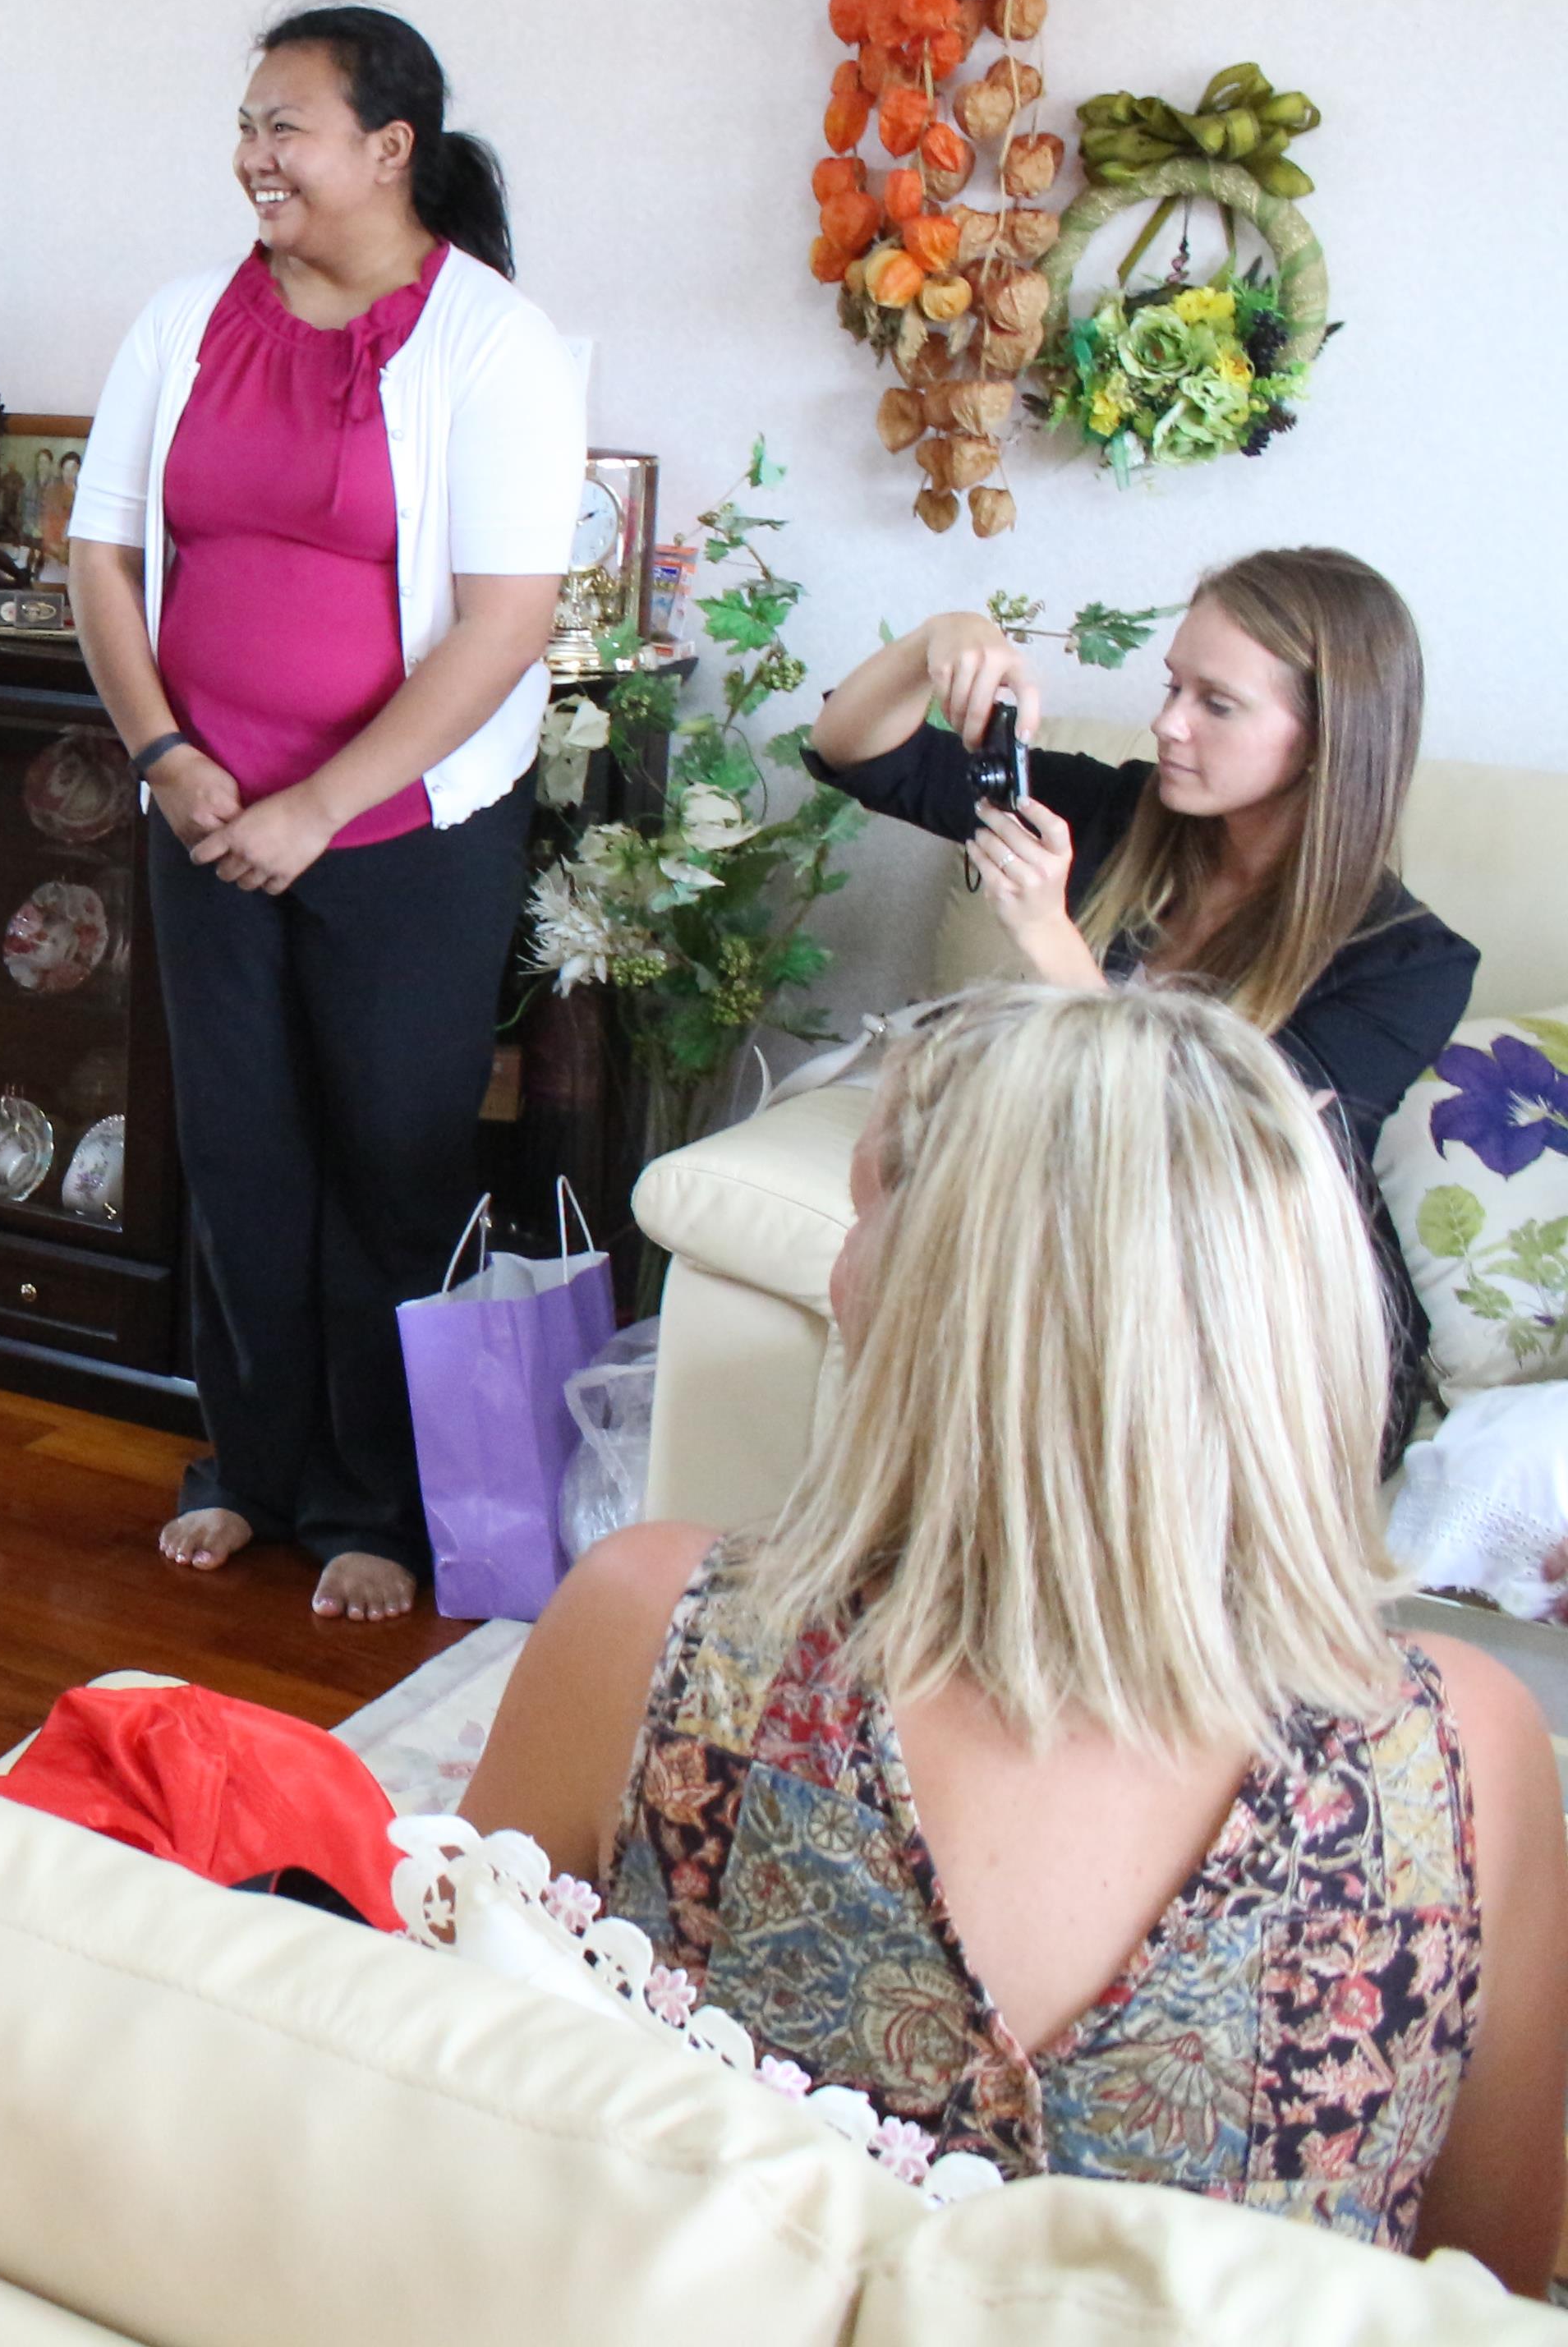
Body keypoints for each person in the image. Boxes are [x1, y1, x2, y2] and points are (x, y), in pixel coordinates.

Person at [462, 986, 1563, 2269]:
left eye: (866, 1216)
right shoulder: (1467, 1755)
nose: (837, 1270)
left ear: (947, 1304)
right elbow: (1483, 2286)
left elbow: (441, 2097)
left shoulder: (653, 1634)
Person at [70, 6, 585, 1622]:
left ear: (389, 148)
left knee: (392, 1160)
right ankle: (249, 1466)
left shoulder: (493, 343)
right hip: (204, 811)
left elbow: (506, 624)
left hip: (406, 829)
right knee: (239, 1147)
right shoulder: (181, 319)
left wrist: (317, 804)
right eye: (247, 122)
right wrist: (167, 758)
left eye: (286, 124)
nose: (255, 155)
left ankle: (383, 1501)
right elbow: (102, 558)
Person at [807, 546, 1473, 1451]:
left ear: (1327, 737)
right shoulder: (1126, 815)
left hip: (1264, 1327)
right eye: (1172, 688)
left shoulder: (1407, 963)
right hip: (1089, 1246)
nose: (1168, 726)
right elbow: (855, 752)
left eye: (1216, 703)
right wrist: (938, 641)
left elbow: (1222, 1159)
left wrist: (1050, 938)